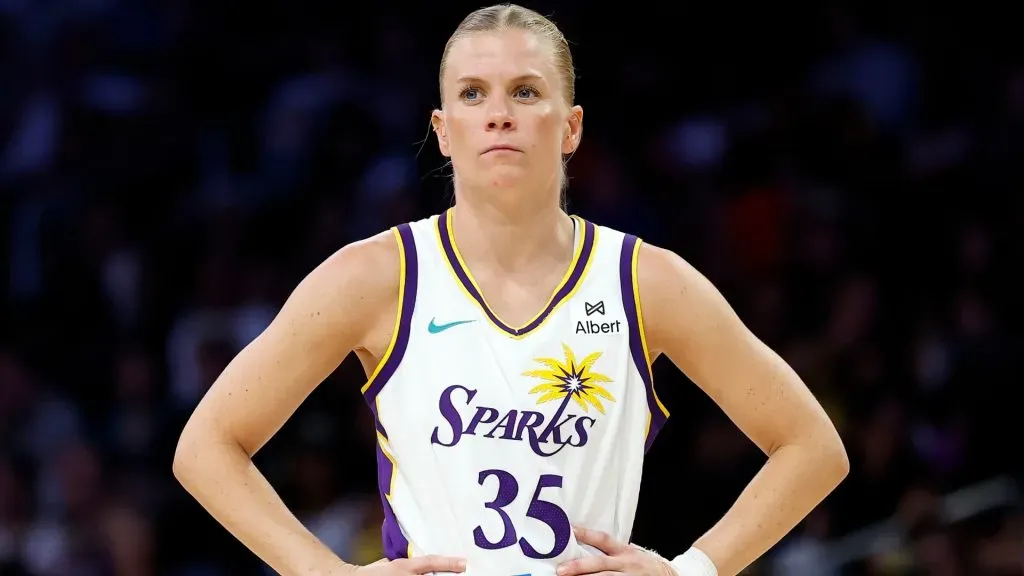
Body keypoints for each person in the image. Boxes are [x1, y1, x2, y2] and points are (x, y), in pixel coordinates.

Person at [172, 5, 850, 576]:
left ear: (571, 127)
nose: (498, 114)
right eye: (473, 94)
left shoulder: (645, 281)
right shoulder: (376, 276)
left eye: (525, 92)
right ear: (443, 131)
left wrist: (691, 569)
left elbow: (812, 447)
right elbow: (206, 446)